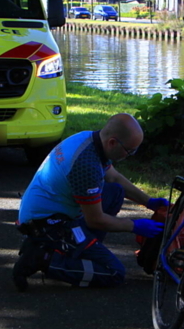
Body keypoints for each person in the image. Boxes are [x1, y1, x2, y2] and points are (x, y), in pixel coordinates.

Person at [13, 114, 166, 291]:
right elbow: (96, 220)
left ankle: (81, 250)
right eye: (130, 150)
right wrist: (134, 225)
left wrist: (149, 202)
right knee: (113, 273)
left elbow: (114, 178)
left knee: (115, 192)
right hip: (48, 224)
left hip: (51, 211)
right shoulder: (86, 166)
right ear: (113, 142)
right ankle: (44, 258)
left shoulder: (90, 140)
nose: (131, 155)